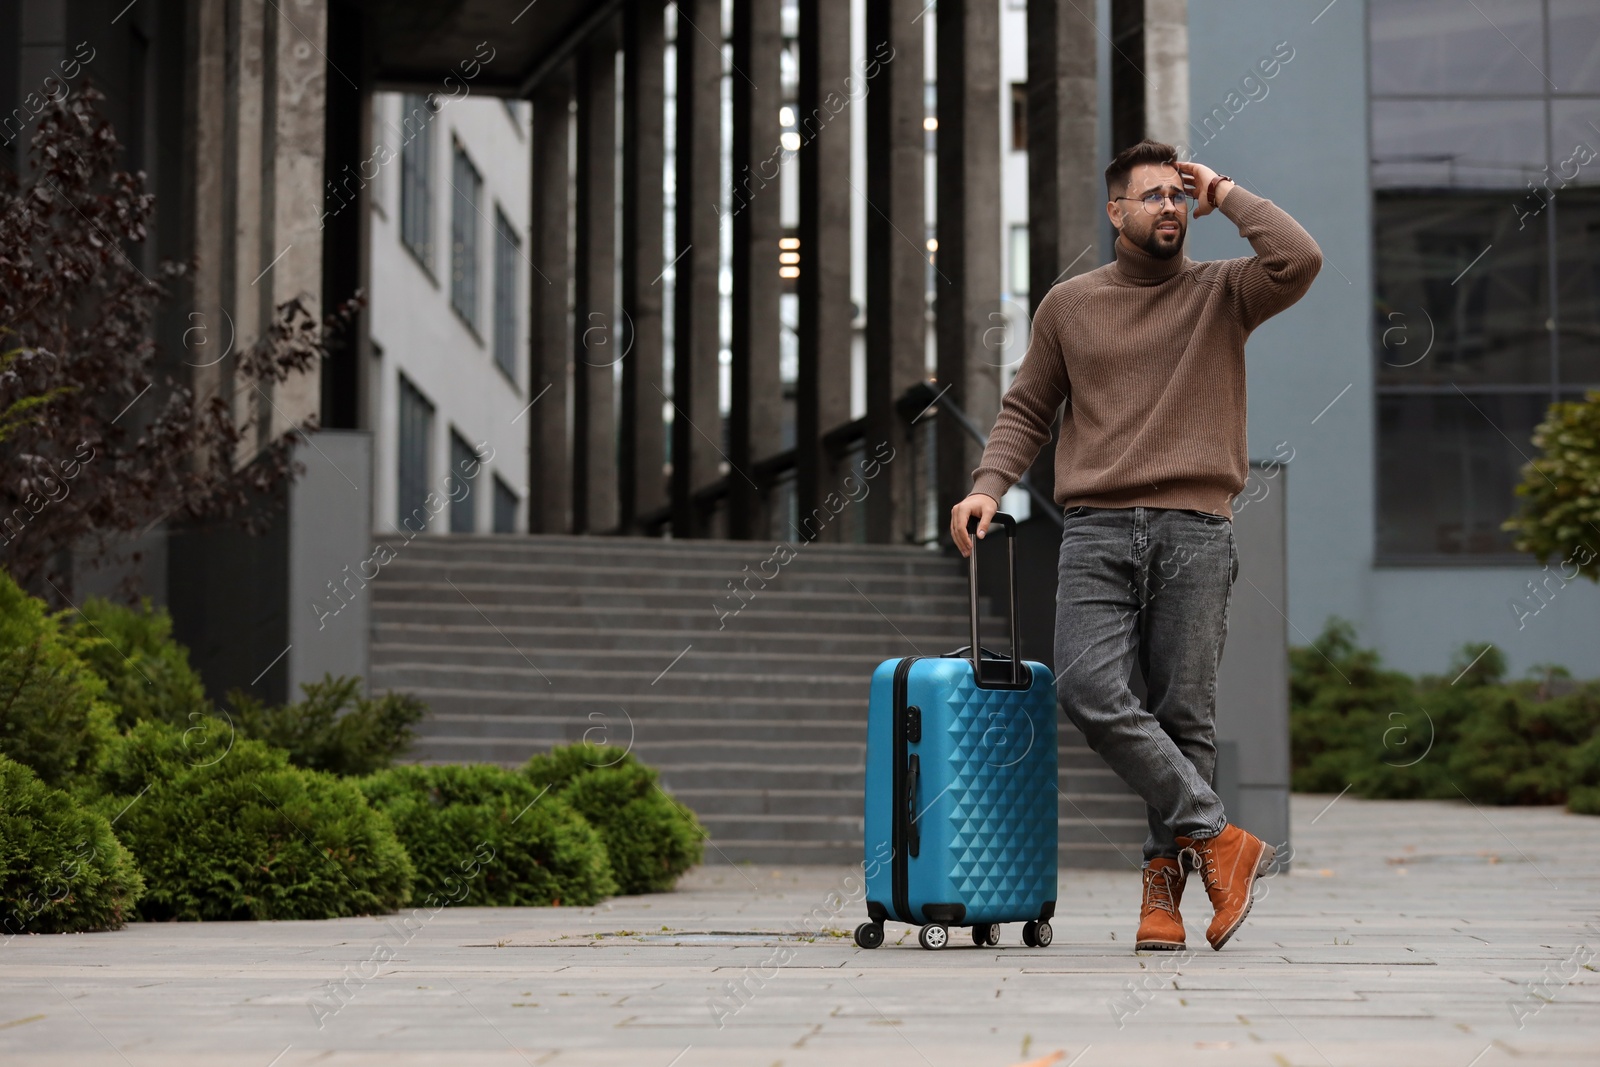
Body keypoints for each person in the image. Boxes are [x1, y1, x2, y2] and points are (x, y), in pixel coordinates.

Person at [949, 140, 1322, 952]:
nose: (1169, 206)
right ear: (1115, 212)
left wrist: (1228, 188)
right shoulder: (1070, 305)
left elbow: (1299, 256)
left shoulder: (1226, 291)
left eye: (1179, 195)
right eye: (1151, 195)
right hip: (1096, 527)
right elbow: (1026, 408)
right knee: (1087, 686)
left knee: (1185, 713)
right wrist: (986, 484)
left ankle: (1164, 896)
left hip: (1197, 528)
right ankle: (1220, 838)